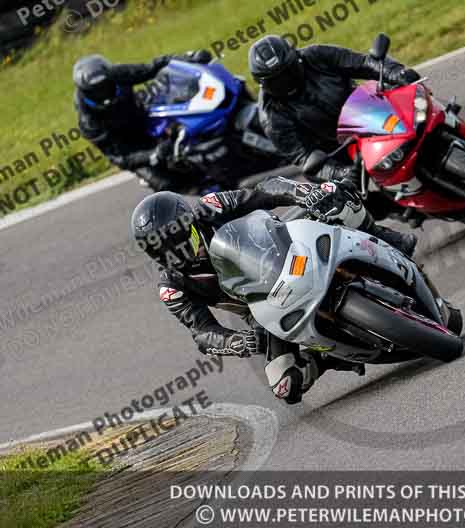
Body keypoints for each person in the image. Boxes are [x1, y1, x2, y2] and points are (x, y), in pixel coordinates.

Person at [130, 178, 417, 404]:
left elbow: (263, 192)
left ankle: (387, 241)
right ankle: (331, 356)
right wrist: (236, 342)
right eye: (167, 252)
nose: (183, 254)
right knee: (285, 385)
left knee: (336, 196)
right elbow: (202, 333)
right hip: (264, 309)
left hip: (287, 251)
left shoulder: (211, 207)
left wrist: (301, 192)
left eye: (185, 241)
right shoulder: (172, 288)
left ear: (191, 222)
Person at [248, 35, 420, 191]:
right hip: (339, 150)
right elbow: (304, 158)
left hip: (370, 110)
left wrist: (395, 72)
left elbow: (363, 63)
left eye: (288, 71)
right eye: (277, 81)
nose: (286, 81)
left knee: (418, 113)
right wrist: (341, 173)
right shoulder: (271, 117)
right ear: (263, 84)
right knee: (348, 195)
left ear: (296, 58)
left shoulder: (316, 55)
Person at [73, 50, 213, 191]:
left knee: (187, 125)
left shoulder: (119, 74)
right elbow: (118, 157)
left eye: (105, 85)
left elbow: (153, 67)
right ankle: (209, 192)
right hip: (132, 149)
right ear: (86, 92)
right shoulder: (88, 121)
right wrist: (152, 154)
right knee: (166, 184)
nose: (103, 92)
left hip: (143, 120)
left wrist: (188, 58)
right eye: (96, 90)